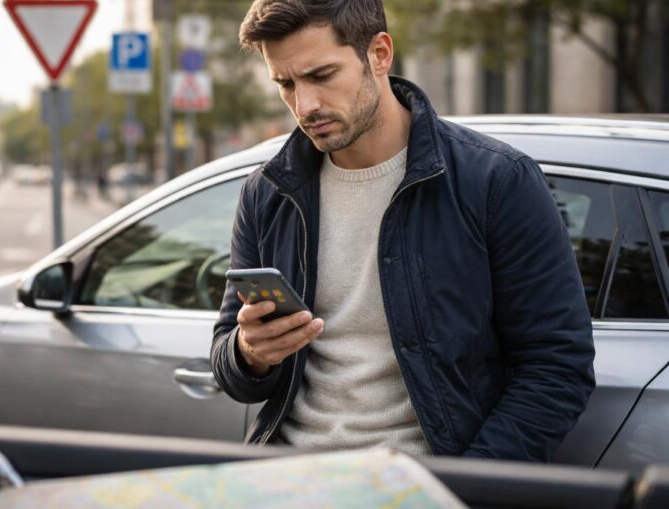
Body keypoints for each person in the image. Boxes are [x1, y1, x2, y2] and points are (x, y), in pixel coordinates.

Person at [211, 0, 595, 462]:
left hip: (425, 481)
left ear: (379, 54)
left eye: (321, 75)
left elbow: (557, 367)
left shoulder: (495, 180)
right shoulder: (268, 192)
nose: (304, 105)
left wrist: (464, 486)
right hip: (289, 474)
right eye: (286, 84)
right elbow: (229, 369)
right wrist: (249, 352)